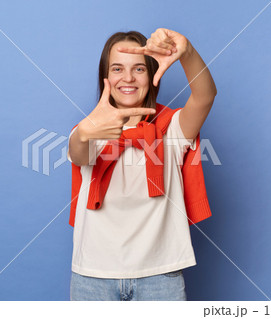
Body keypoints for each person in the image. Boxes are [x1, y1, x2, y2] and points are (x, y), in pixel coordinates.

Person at [67, 28, 217, 301]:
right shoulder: (90, 130)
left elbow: (205, 97)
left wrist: (188, 52)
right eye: (117, 69)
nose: (127, 78)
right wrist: (84, 132)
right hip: (93, 275)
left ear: (152, 76)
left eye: (138, 69)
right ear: (106, 78)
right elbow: (78, 154)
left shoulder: (171, 128)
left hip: (161, 275)